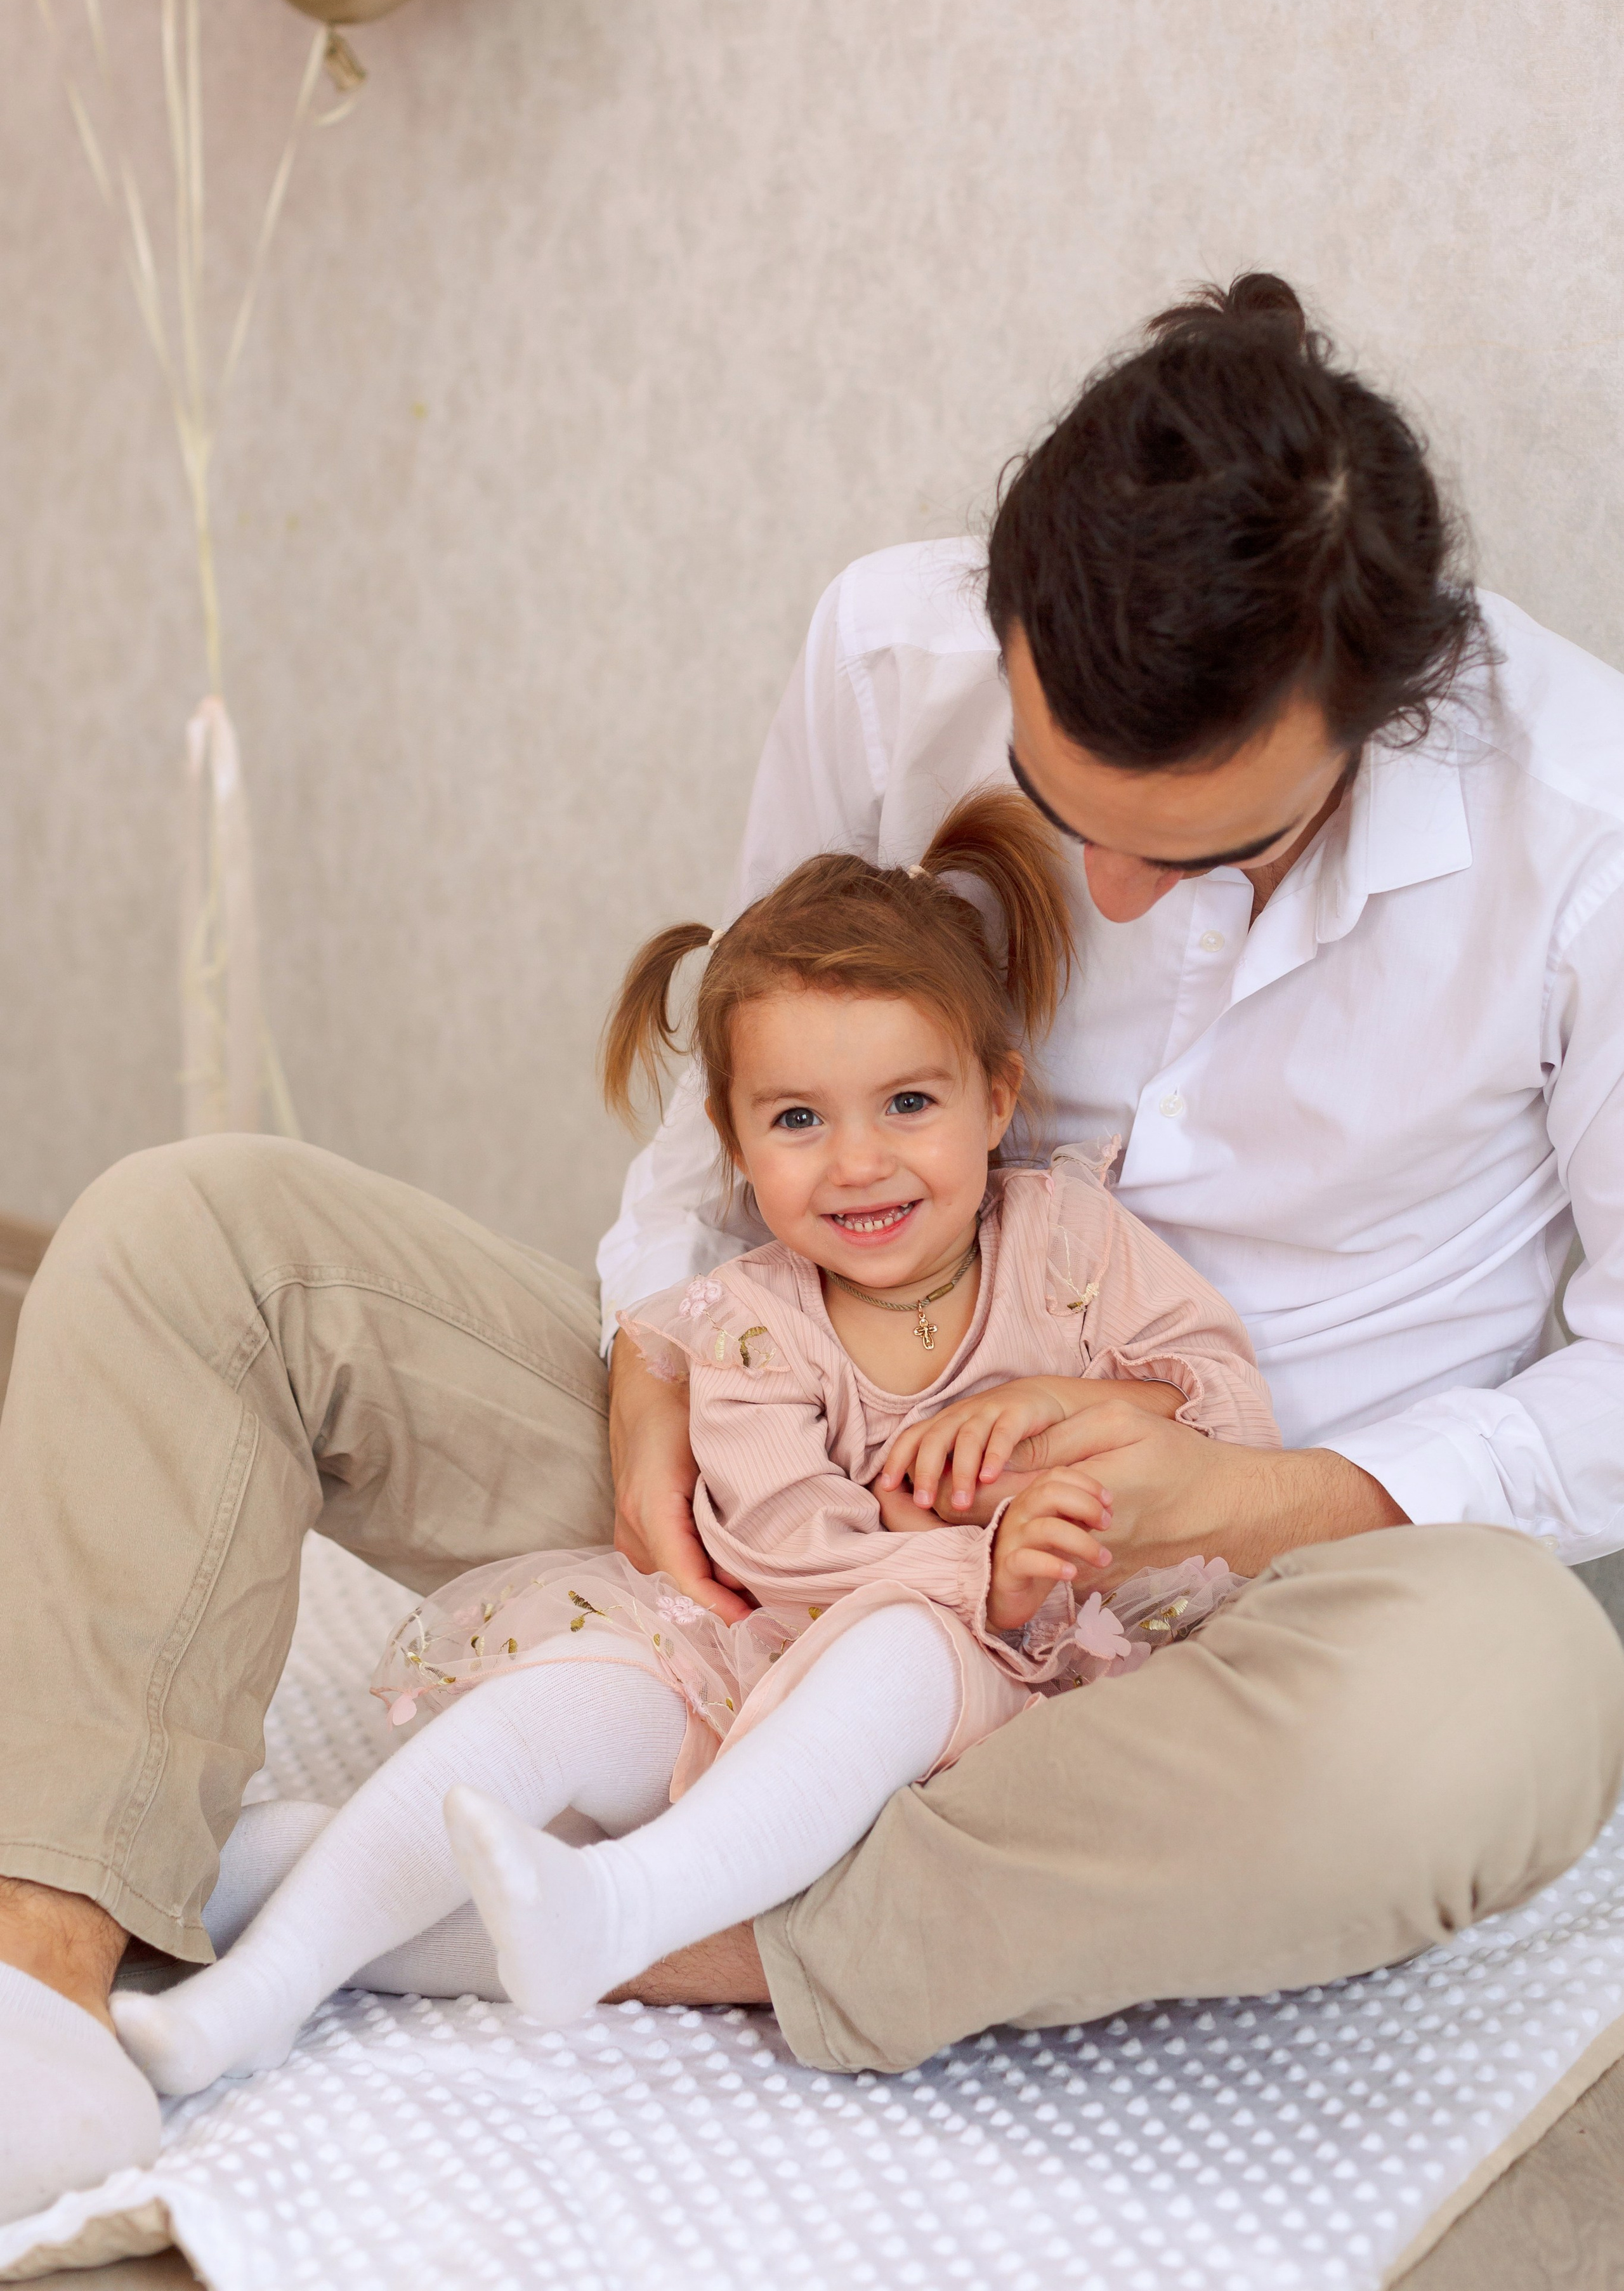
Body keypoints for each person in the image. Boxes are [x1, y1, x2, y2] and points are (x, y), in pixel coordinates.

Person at [1, 270, 1621, 2222]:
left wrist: (1250, 1489)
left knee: (1518, 1693)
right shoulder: (886, 641)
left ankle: (627, 1924)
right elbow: (740, 1070)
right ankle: (45, 1960)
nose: (1099, 892)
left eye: (1199, 856)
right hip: (775, 1489)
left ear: (1383, 709)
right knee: (194, 1231)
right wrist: (652, 1361)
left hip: (1198, 1611)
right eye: (1048, 800)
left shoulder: (1586, 826)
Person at [107, 791, 1276, 2097]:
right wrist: (973, 1557)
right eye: (796, 1121)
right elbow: (783, 1547)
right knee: (561, 1697)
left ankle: (604, 1903)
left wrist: (1093, 1422)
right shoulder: (750, 1327)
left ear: (995, 1096)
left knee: (905, 1645)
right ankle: (255, 1993)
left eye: (904, 1102)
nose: (856, 1164)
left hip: (1018, 1678)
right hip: (773, 1649)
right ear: (732, 1143)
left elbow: (1224, 1404)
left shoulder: (1069, 1244)